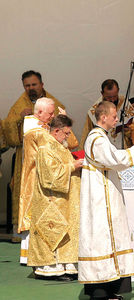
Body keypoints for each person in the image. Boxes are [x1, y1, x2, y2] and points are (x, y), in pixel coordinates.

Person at [79, 101, 134, 300]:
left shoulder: (101, 138)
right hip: (100, 201)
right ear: (103, 117)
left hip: (105, 195)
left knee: (109, 239)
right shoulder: (97, 138)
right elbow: (115, 160)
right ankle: (100, 292)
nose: (117, 120)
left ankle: (108, 289)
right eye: (114, 116)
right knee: (103, 240)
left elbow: (116, 158)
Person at [1, 70, 78, 239]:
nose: (30, 88)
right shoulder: (19, 106)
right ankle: (23, 234)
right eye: (27, 85)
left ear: (42, 85)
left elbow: (68, 138)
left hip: (52, 162)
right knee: (27, 194)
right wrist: (19, 119)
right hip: (28, 160)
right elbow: (8, 130)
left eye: (34, 84)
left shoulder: (53, 104)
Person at [27, 114, 82, 281]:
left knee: (68, 232)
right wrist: (73, 165)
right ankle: (51, 269)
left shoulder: (61, 146)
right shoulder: (45, 149)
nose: (68, 137)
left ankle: (67, 267)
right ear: (56, 131)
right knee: (54, 233)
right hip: (51, 202)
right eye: (66, 133)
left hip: (65, 200)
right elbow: (49, 177)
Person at [18, 97, 56, 265]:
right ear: (40, 112)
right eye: (51, 113)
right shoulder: (34, 128)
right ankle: (30, 255)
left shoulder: (44, 126)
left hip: (43, 175)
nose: (53, 116)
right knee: (33, 213)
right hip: (35, 175)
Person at [80, 79, 134, 149]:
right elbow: (87, 134)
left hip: (123, 148)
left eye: (115, 96)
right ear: (102, 93)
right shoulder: (94, 110)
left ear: (118, 91)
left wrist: (130, 130)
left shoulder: (124, 104)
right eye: (109, 97)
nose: (112, 100)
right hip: (104, 150)